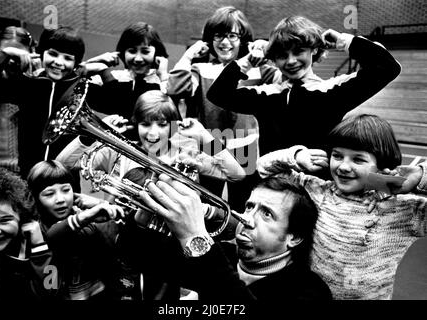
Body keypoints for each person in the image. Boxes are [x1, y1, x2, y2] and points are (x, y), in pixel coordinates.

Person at [256, 114, 427, 299]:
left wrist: (421, 175)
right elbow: (263, 168)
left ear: (381, 165)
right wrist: (297, 156)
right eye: (337, 156)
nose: (344, 167)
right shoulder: (316, 191)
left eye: (358, 159)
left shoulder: (403, 210)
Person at [206, 16, 402, 158]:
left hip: (316, 190)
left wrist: (344, 42)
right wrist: (247, 62)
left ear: (314, 50)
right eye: (282, 55)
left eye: (299, 51)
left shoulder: (333, 90)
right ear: (272, 58)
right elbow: (218, 94)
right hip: (272, 188)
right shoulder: (265, 95)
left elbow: (387, 68)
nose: (291, 61)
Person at [137, 173, 332, 300]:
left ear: (294, 237)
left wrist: (195, 237)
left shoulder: (310, 291)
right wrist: (143, 217)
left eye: (267, 214)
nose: (247, 220)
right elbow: (137, 255)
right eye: (249, 207)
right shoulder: (222, 253)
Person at [167, 6, 281, 209]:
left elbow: (283, 79)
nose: (225, 42)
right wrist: (189, 54)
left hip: (246, 147)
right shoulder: (201, 69)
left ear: (243, 39)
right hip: (211, 146)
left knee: (244, 202)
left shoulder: (256, 69)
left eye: (232, 36)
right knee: (208, 202)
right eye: (219, 36)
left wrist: (264, 48)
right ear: (209, 39)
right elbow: (175, 88)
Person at [56, 90, 245, 199]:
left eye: (162, 125)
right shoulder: (116, 152)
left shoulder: (186, 153)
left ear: (173, 126)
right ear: (136, 124)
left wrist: (205, 136)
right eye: (145, 124)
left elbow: (237, 174)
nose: (153, 133)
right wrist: (90, 138)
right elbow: (63, 166)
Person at [0, 26, 87, 178]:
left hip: (64, 180)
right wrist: (4, 54)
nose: (59, 62)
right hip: (24, 176)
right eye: (53, 54)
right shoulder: (25, 85)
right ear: (42, 54)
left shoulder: (79, 87)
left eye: (67, 58)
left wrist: (100, 71)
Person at [27, 160, 130, 300]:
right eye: (49, 194)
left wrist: (101, 204)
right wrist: (88, 214)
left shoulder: (85, 218)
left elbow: (119, 245)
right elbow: (55, 235)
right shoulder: (36, 231)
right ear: (36, 199)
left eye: (65, 190)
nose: (60, 199)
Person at [0, 168, 52, 300]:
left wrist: (40, 249)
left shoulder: (38, 244)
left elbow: (53, 288)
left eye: (5, 220)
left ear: (22, 218)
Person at [83, 21, 170, 119]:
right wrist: (92, 62)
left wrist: (163, 76)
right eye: (132, 51)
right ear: (122, 52)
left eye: (145, 52)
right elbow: (69, 87)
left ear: (157, 54)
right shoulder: (110, 79)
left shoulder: (164, 82)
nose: (138, 59)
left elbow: (172, 121)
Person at [0, 26, 38, 173]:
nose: (12, 60)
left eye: (18, 54)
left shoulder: (38, 79)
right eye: (7, 53)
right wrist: (2, 55)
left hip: (30, 168)